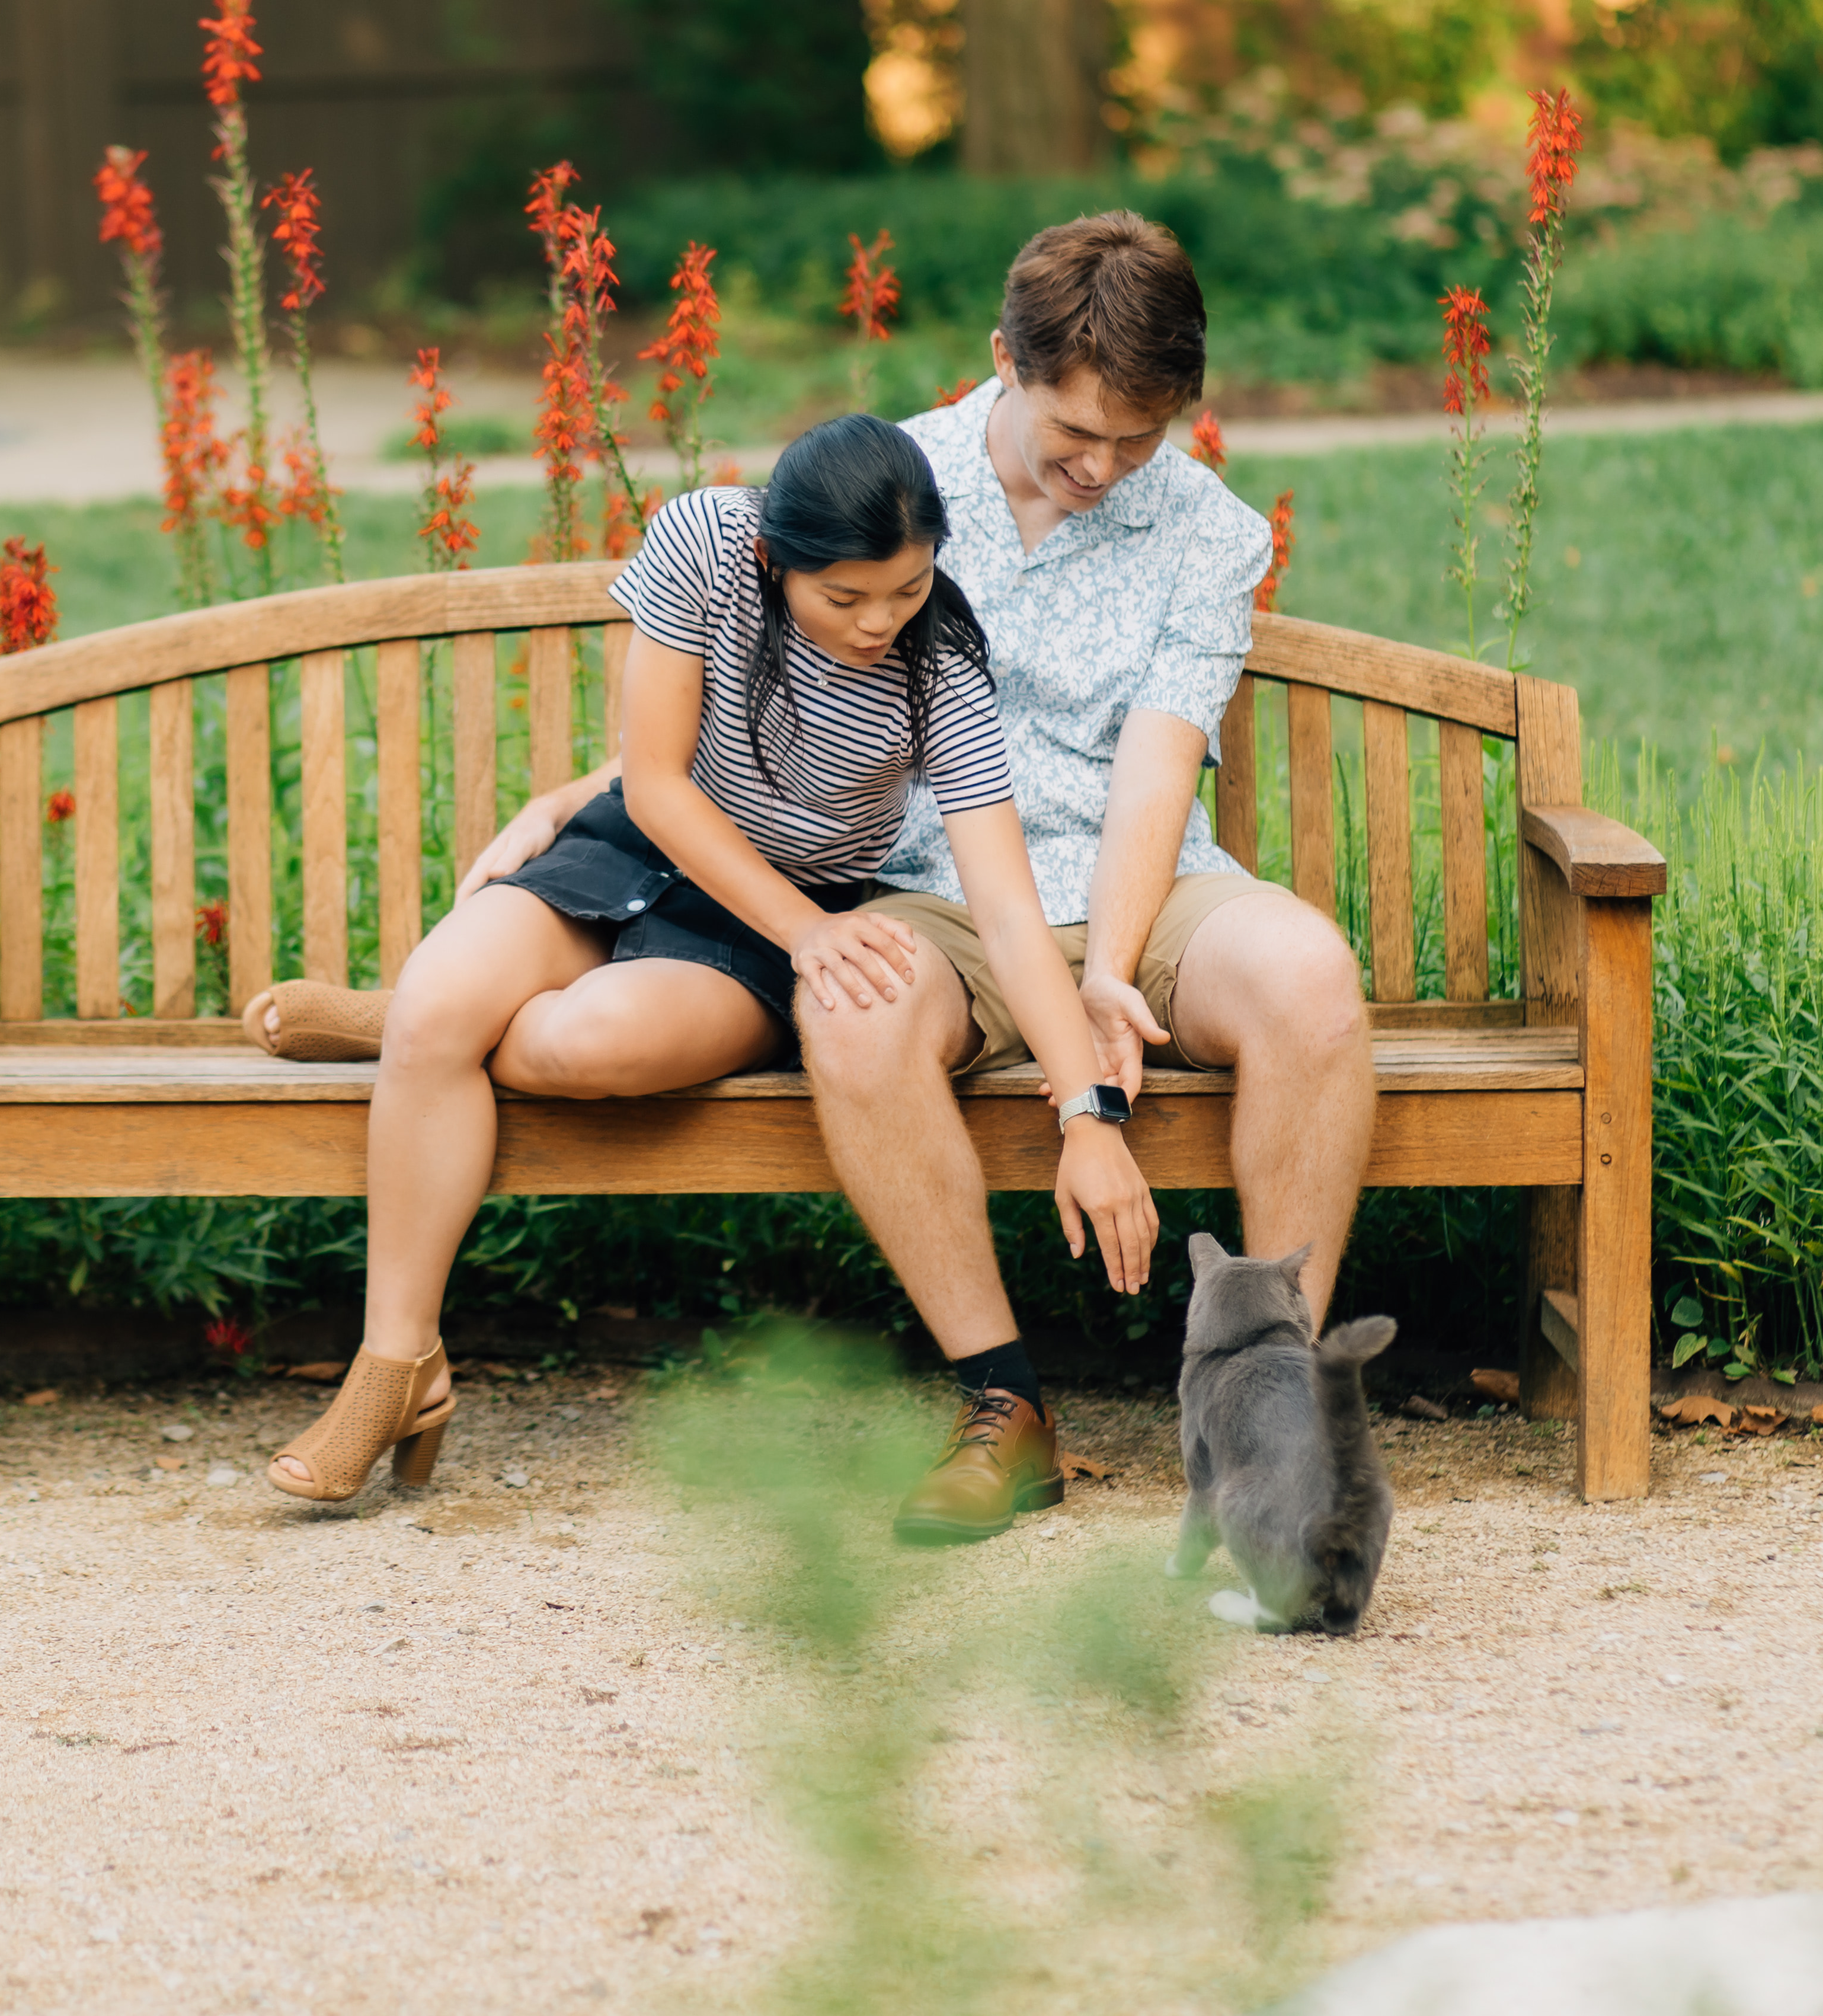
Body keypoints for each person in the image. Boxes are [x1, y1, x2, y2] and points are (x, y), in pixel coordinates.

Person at [256, 414, 1156, 1504]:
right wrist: (807, 931)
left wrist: (1088, 1115)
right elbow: (658, 782)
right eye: (845, 596)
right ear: (777, 558)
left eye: (907, 589)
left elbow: (1008, 917)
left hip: (763, 926)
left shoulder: (942, 669)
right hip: (643, 847)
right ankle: (396, 1364)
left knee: (562, 1039)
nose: (879, 621)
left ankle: (400, 1028)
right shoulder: (706, 542)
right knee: (443, 1004)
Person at [810, 210, 1376, 1542]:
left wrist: (1111, 975)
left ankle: (1268, 1420)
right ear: (1003, 358)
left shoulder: (1205, 529)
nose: (1107, 466)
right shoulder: (898, 485)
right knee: (850, 1008)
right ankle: (1002, 1408)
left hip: (1145, 878)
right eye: (1077, 432)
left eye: (1142, 435)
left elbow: (1153, 771)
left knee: (1309, 980)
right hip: (934, 882)